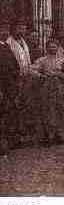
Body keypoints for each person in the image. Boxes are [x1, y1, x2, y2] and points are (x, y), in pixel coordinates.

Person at [31, 39, 64, 146]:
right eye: (50, 47)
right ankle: (49, 135)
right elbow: (31, 70)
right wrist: (42, 75)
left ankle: (60, 134)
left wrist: (61, 75)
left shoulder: (61, 60)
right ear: (47, 48)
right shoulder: (42, 60)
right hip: (47, 89)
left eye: (54, 47)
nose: (52, 49)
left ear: (57, 48)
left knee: (61, 109)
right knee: (48, 110)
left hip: (59, 88)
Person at [0, 22, 20, 155]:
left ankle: (8, 141)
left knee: (8, 114)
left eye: (6, 30)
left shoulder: (6, 46)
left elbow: (14, 65)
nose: (4, 32)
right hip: (2, 87)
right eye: (1, 30)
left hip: (10, 87)